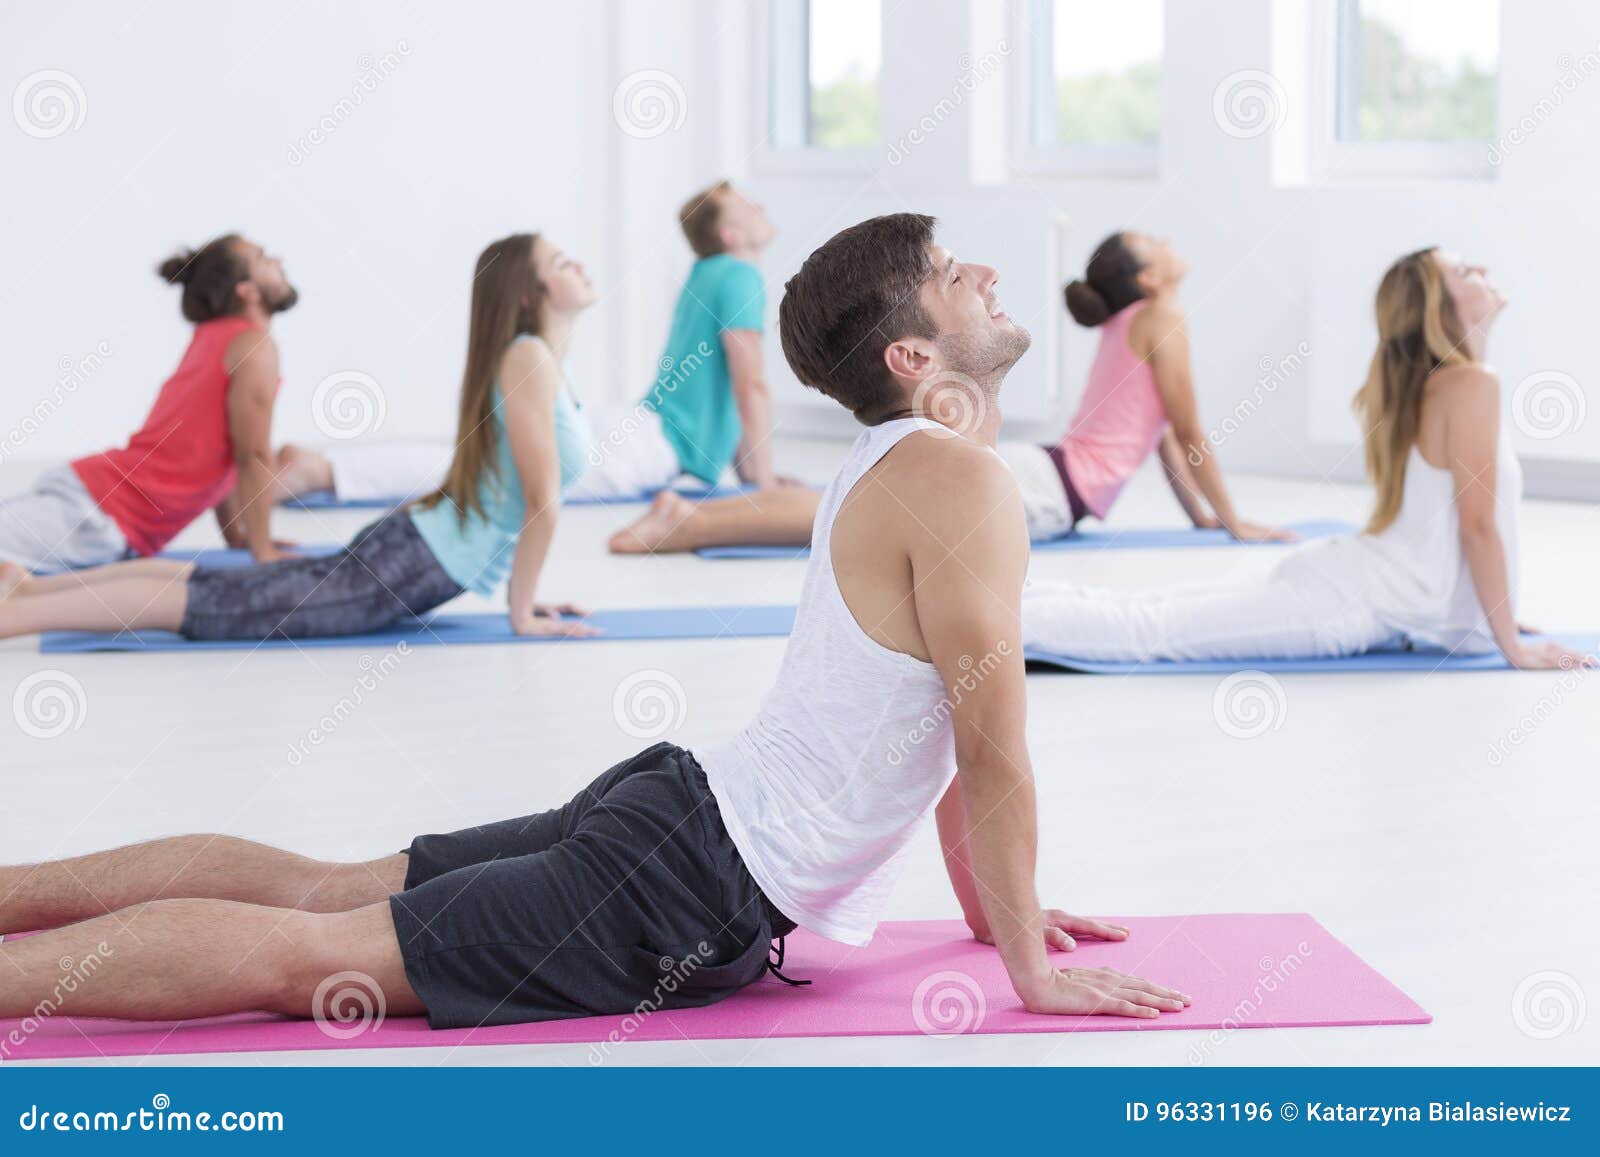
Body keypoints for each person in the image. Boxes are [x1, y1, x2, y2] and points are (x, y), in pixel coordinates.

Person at [0, 214, 1189, 1030]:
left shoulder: (897, 460)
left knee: (324, 892)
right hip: (688, 877)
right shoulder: (959, 479)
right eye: (949, 270)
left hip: (679, 806)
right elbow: (990, 747)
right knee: (312, 951)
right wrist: (1027, 966)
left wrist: (995, 913)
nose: (983, 271)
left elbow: (947, 735)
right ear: (912, 351)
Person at [0, 232, 597, 642]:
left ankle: (29, 594)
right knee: (217, 604)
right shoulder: (529, 358)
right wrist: (522, 611)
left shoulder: (539, 361)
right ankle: (17, 614)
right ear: (529, 294)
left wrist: (524, 597)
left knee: (221, 589)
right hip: (414, 560)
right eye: (561, 262)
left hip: (417, 551)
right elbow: (540, 500)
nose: (578, 266)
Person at [1022, 247, 1589, 672]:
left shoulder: (1454, 382)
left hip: (1350, 579)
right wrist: (1511, 647)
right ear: (1439, 306)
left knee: (1151, 610)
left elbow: (1463, 524)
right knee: (1152, 629)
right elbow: (1478, 527)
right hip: (1348, 602)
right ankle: (995, 627)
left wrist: (1495, 613)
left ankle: (997, 609)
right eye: (1465, 271)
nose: (1482, 270)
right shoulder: (1471, 384)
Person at [609, 229, 1290, 553]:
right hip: (1055, 488)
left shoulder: (1134, 322)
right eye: (1156, 243)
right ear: (1149, 280)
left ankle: (686, 515)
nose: (1170, 242)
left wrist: (1204, 518)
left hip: (1050, 470)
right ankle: (688, 524)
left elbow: (1165, 434)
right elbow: (1189, 432)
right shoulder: (1162, 319)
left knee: (851, 503)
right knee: (845, 515)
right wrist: (1233, 521)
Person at [0, 235, 297, 571]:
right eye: (264, 258)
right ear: (247, 291)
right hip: (95, 514)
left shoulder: (220, 336)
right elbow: (252, 454)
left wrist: (238, 537)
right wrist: (263, 550)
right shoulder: (252, 345)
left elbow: (227, 457)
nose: (279, 261)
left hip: (94, 506)